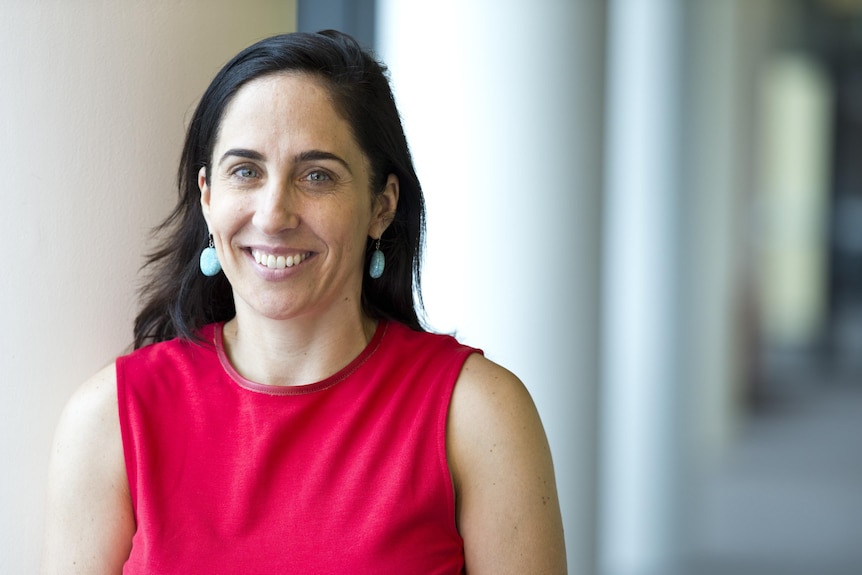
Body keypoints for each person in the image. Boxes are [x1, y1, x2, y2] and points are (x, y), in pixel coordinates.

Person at [41, 30, 567, 574]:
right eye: (245, 171)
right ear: (207, 196)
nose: (273, 215)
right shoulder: (111, 418)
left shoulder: (478, 414)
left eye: (317, 175)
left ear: (382, 206)